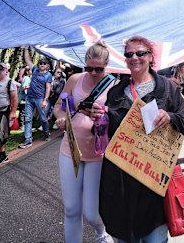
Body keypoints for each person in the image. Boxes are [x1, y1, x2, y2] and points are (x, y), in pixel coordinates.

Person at [99, 35, 184, 242]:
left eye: (140, 53)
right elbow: (107, 134)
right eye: (129, 54)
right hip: (121, 181)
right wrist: (99, 120)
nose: (135, 58)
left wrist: (171, 117)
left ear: (151, 57)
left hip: (153, 184)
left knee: (155, 239)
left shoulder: (168, 89)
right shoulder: (115, 93)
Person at [52, 41, 114, 243]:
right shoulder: (75, 79)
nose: (94, 73)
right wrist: (61, 117)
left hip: (98, 153)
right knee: (71, 209)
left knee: (90, 212)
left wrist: (104, 114)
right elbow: (59, 107)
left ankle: (101, 232)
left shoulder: (113, 85)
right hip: (70, 147)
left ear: (107, 65)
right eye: (89, 68)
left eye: (99, 69)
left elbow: (121, 118)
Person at [19, 48, 52, 148]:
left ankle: (46, 133)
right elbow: (28, 59)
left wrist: (45, 100)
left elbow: (48, 88)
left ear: (47, 66)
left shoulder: (48, 75)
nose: (42, 64)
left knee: (43, 118)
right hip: (30, 98)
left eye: (44, 63)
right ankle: (28, 139)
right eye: (40, 63)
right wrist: (25, 49)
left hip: (40, 99)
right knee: (28, 118)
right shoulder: (35, 70)